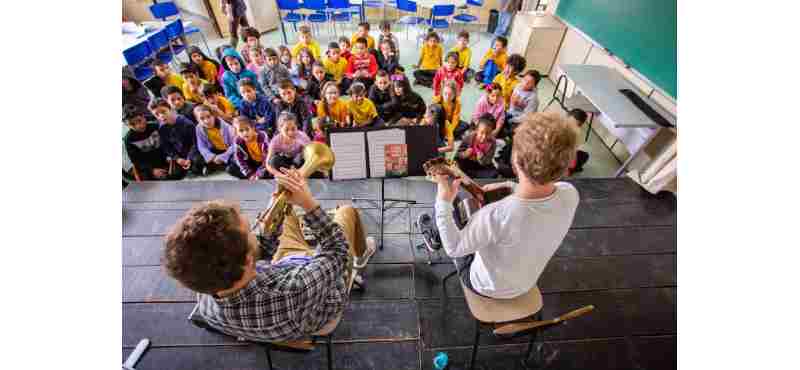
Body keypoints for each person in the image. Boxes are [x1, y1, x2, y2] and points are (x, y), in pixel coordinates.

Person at [163, 169, 376, 342]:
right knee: (346, 212)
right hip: (316, 296)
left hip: (280, 275)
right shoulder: (293, 290)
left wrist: (276, 207)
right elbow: (337, 251)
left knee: (288, 210)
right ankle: (363, 253)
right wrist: (309, 204)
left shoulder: (204, 287)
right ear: (247, 259)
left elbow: (258, 253)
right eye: (250, 231)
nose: (255, 229)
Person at [423, 112, 580, 299]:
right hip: (527, 282)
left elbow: (454, 249)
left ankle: (434, 236)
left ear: (515, 161)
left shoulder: (494, 215)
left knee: (456, 208)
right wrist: (510, 187)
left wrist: (442, 200)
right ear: (567, 164)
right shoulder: (570, 194)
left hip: (486, 286)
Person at [150, 98, 203, 177]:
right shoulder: (162, 128)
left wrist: (189, 158)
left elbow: (195, 142)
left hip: (193, 152)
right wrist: (177, 158)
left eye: (163, 112)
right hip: (179, 156)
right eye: (157, 115)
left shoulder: (185, 123)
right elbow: (167, 146)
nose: (161, 116)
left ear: (170, 109)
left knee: (197, 162)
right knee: (174, 174)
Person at [123, 104, 170, 181]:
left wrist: (170, 157)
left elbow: (168, 143)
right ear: (127, 125)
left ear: (143, 116)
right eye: (132, 124)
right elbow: (137, 161)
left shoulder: (155, 126)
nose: (138, 126)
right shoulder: (129, 140)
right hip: (149, 168)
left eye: (139, 120)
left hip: (166, 160)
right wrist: (152, 171)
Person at [194, 104, 237, 176]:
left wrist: (223, 157)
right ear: (197, 120)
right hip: (215, 151)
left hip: (229, 151)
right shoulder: (198, 128)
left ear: (213, 116)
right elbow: (201, 146)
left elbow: (235, 144)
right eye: (202, 119)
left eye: (208, 117)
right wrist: (211, 156)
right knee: (197, 159)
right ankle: (217, 164)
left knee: (235, 160)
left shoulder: (226, 127)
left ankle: (219, 165)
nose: (206, 121)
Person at [265, 112, 312, 177]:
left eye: (293, 129)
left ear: (297, 126)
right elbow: (268, 164)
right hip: (285, 164)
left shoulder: (303, 137)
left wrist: (304, 148)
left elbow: (310, 157)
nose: (290, 133)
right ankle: (290, 175)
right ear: (279, 129)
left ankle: (298, 174)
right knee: (274, 161)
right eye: (286, 129)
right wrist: (280, 175)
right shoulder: (275, 141)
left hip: (299, 163)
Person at [231, 115, 271, 180]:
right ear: (237, 132)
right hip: (252, 163)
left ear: (252, 128)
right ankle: (252, 177)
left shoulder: (262, 137)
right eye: (241, 131)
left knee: (271, 165)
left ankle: (258, 177)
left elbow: (268, 158)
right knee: (231, 168)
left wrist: (258, 173)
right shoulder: (238, 141)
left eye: (247, 129)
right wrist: (249, 174)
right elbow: (239, 159)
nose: (245, 133)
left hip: (264, 163)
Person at [434, 80, 467, 153]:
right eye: (445, 94)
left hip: (450, 122)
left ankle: (447, 135)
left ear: (455, 95)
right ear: (442, 92)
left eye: (450, 94)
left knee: (465, 125)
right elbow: (432, 115)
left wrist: (450, 130)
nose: (447, 97)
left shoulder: (457, 103)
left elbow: (455, 119)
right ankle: (449, 136)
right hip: (439, 122)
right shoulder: (437, 99)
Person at [566, 108, 590, 175]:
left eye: (576, 126)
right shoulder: (577, 134)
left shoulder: (577, 135)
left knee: (584, 156)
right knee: (584, 156)